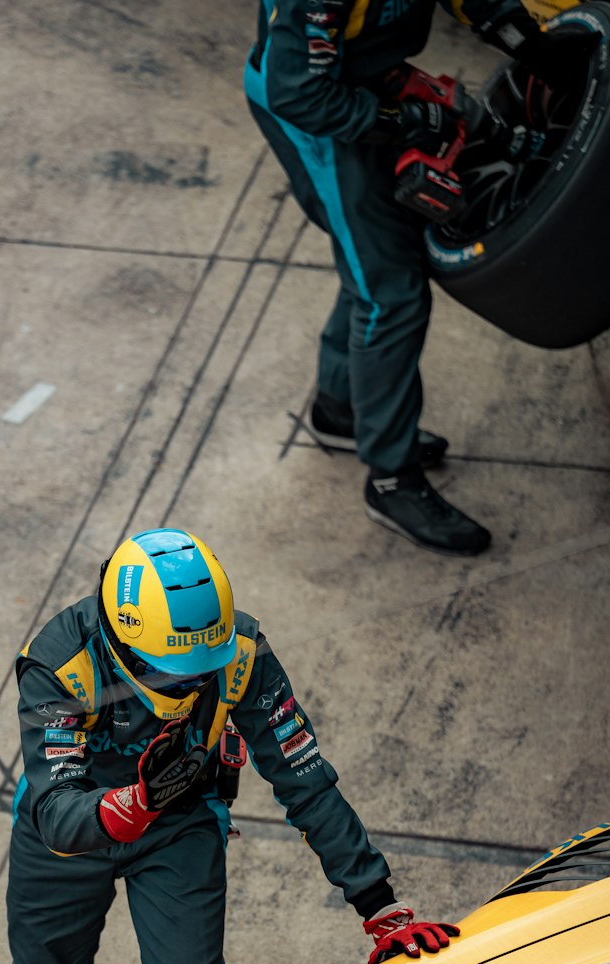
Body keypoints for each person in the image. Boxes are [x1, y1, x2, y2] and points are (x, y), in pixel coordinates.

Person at [7, 527, 458, 964]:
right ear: (121, 643)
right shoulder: (60, 663)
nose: (195, 682)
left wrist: (381, 906)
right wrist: (132, 804)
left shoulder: (240, 652)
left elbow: (306, 781)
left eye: (204, 667)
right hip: (66, 840)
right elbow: (55, 809)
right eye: (177, 672)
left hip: (178, 827)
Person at [244, 0, 577, 556]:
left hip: (366, 80)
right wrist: (405, 122)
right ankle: (391, 481)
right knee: (391, 293)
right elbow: (298, 92)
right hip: (318, 111)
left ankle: (340, 408)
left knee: (371, 268)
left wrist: (523, 38)